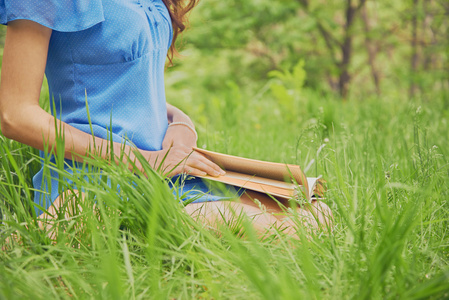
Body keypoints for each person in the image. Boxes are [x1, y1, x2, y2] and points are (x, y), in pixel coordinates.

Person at [0, 0, 332, 239]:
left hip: (169, 172)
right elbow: (14, 114)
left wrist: (181, 125)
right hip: (95, 175)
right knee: (298, 228)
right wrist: (142, 160)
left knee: (319, 214)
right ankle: (80, 221)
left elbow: (135, 92)